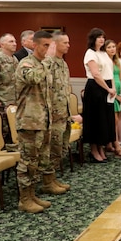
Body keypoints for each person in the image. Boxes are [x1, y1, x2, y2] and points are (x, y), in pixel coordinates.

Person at [15, 30, 60, 213]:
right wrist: (49, 60)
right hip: (29, 121)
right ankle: (24, 200)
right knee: (27, 162)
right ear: (35, 45)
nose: (48, 49)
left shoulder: (42, 64)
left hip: (42, 121)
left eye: (51, 45)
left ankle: (32, 194)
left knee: (38, 160)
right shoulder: (26, 63)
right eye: (45, 45)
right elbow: (33, 78)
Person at [43, 31, 72, 192]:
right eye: (65, 43)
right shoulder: (49, 63)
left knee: (61, 148)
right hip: (53, 115)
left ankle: (52, 178)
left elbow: (65, 89)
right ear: (55, 44)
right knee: (51, 148)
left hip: (63, 114)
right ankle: (47, 182)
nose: (68, 45)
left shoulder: (63, 63)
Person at [82, 28, 116, 163]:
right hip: (96, 88)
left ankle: (102, 147)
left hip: (107, 87)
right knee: (96, 120)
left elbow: (110, 71)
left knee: (105, 120)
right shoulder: (90, 54)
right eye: (99, 37)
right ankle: (94, 150)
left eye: (103, 37)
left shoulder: (103, 53)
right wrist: (108, 88)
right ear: (93, 39)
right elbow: (96, 74)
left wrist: (112, 87)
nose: (101, 39)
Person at [0, 33, 18, 144]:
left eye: (15, 41)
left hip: (14, 104)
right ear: (2, 44)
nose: (15, 44)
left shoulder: (15, 60)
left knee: (14, 136)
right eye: (11, 41)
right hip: (1, 104)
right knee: (3, 138)